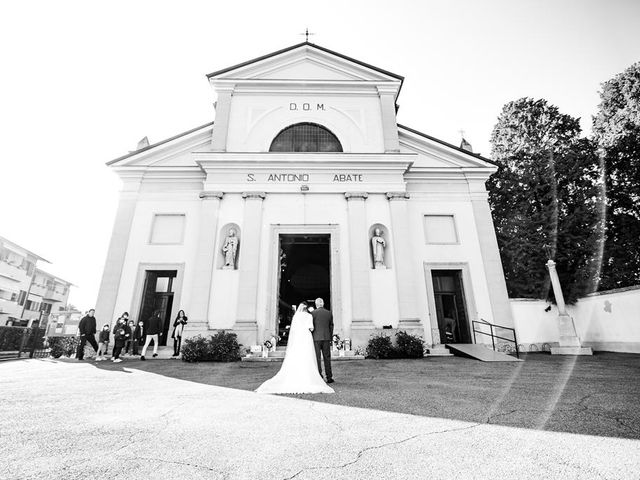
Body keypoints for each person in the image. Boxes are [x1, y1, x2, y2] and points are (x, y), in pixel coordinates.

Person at [256, 303, 334, 394]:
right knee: (308, 356)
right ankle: (322, 377)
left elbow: (293, 329)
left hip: (298, 338)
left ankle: (298, 376)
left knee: (298, 356)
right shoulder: (310, 315)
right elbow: (311, 328)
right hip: (307, 337)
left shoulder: (296, 316)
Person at [311, 298, 334, 383]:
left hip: (316, 338)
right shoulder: (329, 313)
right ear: (323, 304)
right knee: (327, 358)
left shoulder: (313, 313)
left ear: (316, 304)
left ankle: (319, 376)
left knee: (317, 358)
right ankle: (329, 377)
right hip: (326, 338)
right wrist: (330, 337)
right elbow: (331, 326)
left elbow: (311, 326)